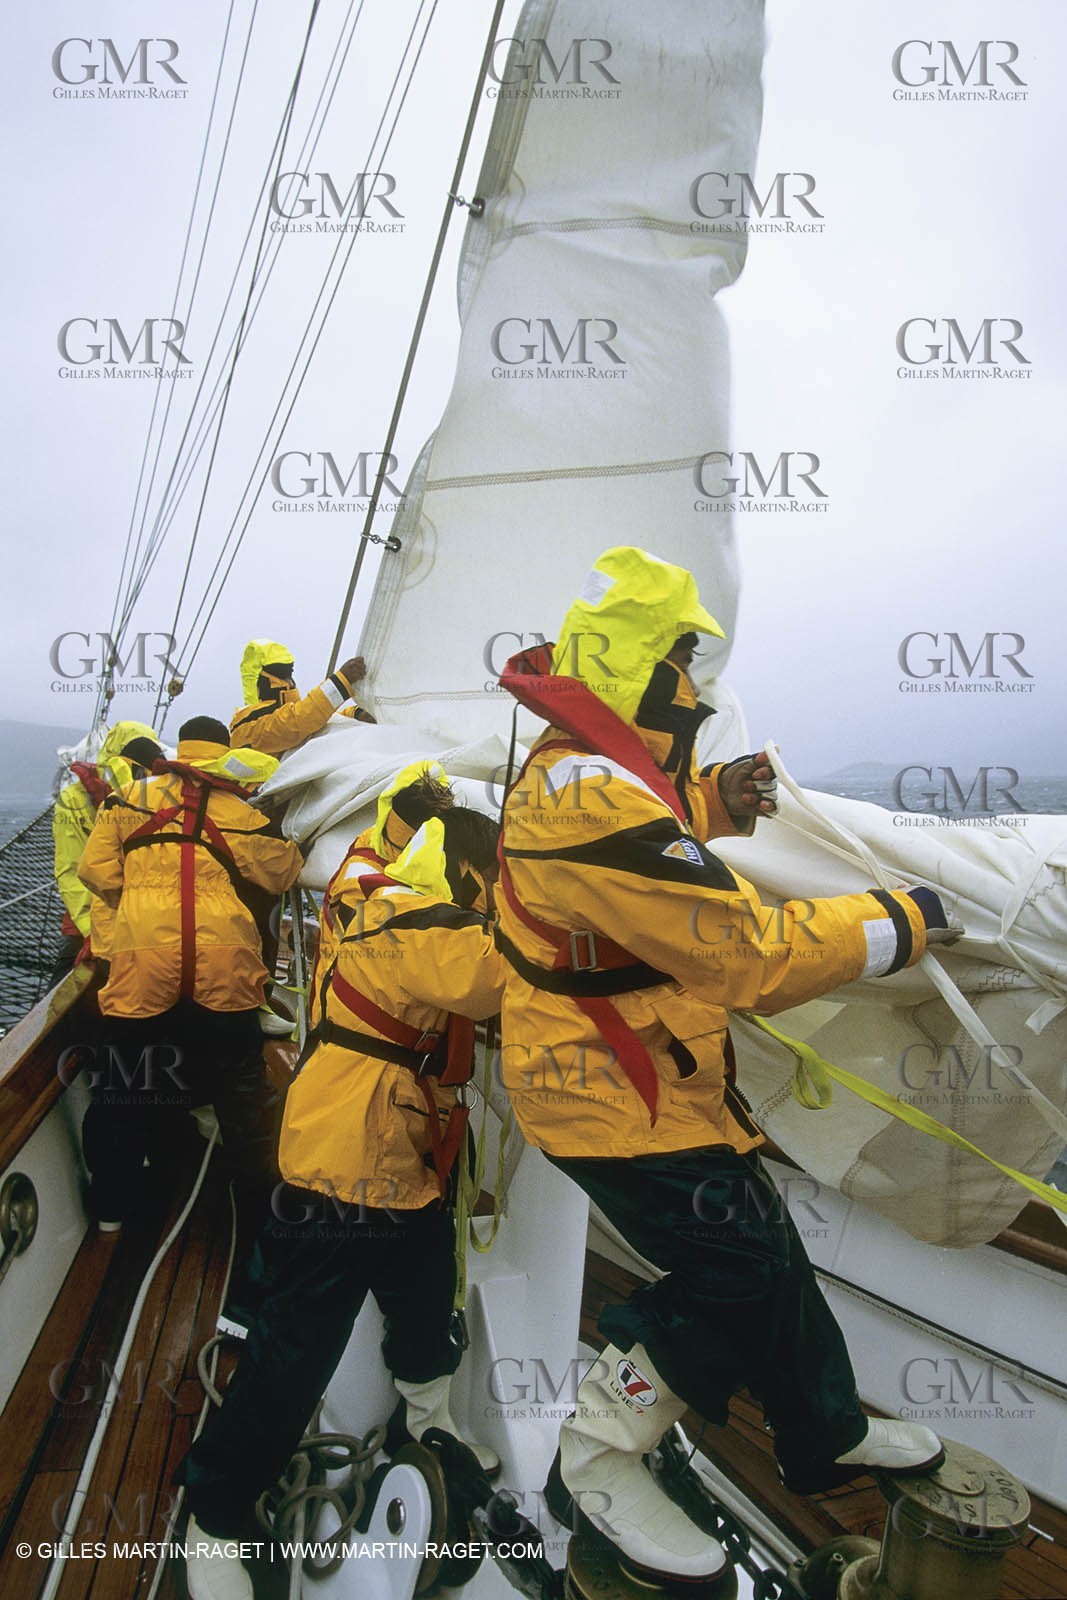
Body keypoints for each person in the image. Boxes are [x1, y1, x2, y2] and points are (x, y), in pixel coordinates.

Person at [493, 546, 950, 1586]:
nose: (694, 689)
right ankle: (595, 1456)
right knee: (735, 1269)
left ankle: (823, 1430)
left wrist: (711, 797)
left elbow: (642, 839)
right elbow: (741, 954)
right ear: (642, 673)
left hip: (648, 1078)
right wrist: (898, 922)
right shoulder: (582, 796)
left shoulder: (587, 773)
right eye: (680, 664)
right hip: (603, 1094)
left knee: (764, 1250)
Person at [178, 807, 506, 1600]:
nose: (503, 894)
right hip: (343, 1164)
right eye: (498, 878)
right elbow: (497, 979)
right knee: (295, 1351)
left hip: (403, 1161)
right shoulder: (404, 916)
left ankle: (427, 1418)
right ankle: (213, 1514)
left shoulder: (399, 904)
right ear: (467, 871)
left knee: (424, 1299)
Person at [76, 717, 302, 1278]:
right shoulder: (239, 812)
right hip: (222, 965)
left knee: (123, 1091)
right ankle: (257, 1227)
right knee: (242, 1105)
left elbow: (93, 871)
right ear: (223, 755)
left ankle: (111, 1213)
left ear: (180, 748)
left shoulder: (128, 798)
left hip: (142, 960)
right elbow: (282, 873)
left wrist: (141, 897)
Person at [51, 721, 161, 980]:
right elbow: (72, 870)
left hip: (143, 920)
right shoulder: (75, 800)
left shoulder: (156, 795)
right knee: (63, 992)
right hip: (86, 922)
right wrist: (92, 931)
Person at [230, 639, 374, 756]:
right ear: (260, 682)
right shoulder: (245, 726)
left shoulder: (304, 718)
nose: (289, 682)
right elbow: (295, 722)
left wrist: (356, 714)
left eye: (289, 674)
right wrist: (340, 683)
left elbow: (324, 723)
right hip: (272, 784)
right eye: (281, 675)